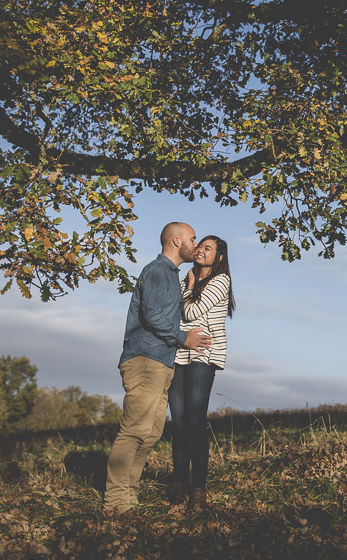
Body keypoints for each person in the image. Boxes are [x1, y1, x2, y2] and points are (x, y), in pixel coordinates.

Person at [103, 222, 212, 517]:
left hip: (160, 362)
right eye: (192, 238)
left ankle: (130, 495)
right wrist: (184, 338)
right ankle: (115, 503)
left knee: (150, 434)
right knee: (134, 430)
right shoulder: (157, 271)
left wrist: (187, 290)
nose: (196, 243)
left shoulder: (171, 276)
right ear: (176, 241)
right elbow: (152, 317)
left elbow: (164, 313)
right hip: (144, 359)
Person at [167, 235, 236, 510]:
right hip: (178, 353)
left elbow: (190, 312)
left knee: (195, 423)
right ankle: (179, 482)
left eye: (208, 249)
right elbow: (175, 315)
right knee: (179, 423)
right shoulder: (187, 279)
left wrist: (191, 285)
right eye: (200, 246)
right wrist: (188, 285)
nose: (201, 251)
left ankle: (199, 489)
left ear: (218, 257)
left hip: (203, 355)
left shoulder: (220, 281)